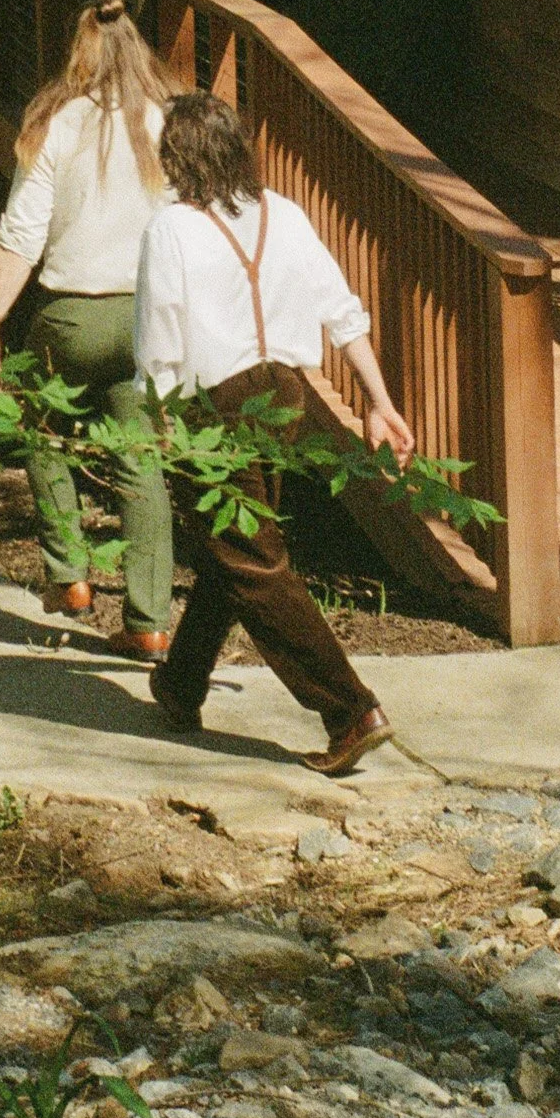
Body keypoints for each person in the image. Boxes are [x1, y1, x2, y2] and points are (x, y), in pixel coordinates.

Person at [133, 88, 415, 778]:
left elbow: (158, 343)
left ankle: (350, 708)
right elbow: (343, 311)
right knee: (234, 546)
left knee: (252, 561)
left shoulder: (169, 229)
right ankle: (180, 683)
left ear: (177, 155)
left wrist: (159, 420)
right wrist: (378, 400)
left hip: (216, 403)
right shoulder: (282, 213)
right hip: (285, 395)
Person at [0, 0, 179, 657]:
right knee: (141, 463)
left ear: (79, 51)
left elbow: (22, 232)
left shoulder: (54, 123)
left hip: (68, 316)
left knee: (40, 428)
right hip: (143, 318)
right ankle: (148, 620)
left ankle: (69, 576)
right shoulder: (165, 121)